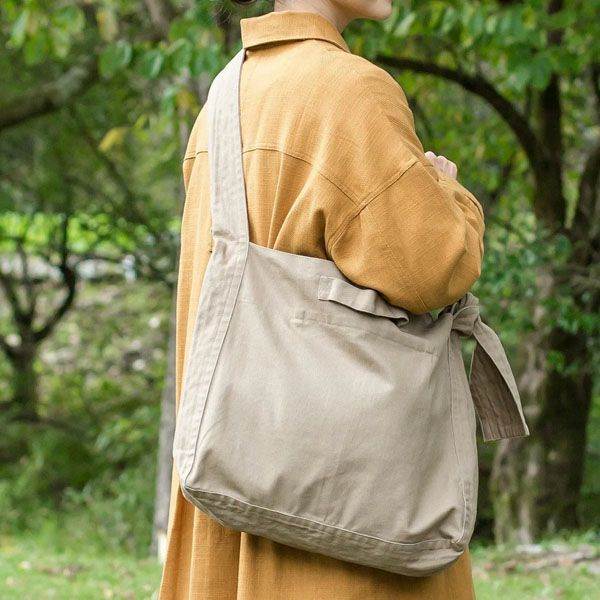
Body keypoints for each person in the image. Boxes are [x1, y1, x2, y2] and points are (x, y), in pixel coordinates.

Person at [158, 1, 484, 598]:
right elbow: (434, 267)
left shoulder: (225, 98)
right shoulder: (350, 91)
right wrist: (449, 192)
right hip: (343, 533)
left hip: (237, 487)